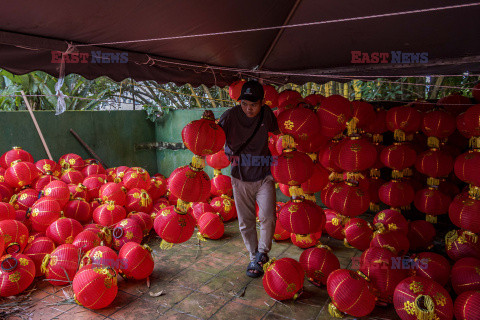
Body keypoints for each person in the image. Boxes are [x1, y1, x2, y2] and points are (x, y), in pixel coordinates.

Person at [218, 80, 280, 278]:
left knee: (268, 217)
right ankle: (255, 256)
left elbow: (280, 133)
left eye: (253, 104)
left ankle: (262, 252)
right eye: (244, 103)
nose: (248, 108)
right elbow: (214, 137)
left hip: (264, 175)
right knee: (245, 222)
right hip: (240, 176)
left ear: (262, 102)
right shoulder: (230, 116)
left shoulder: (266, 114)